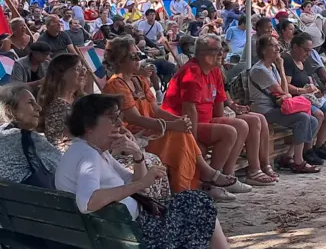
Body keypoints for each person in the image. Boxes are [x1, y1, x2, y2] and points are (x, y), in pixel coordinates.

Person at [55, 94, 230, 249]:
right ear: (89, 125)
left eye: (119, 118)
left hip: (124, 228)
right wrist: (141, 183)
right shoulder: (88, 156)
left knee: (194, 202)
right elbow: (87, 203)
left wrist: (137, 155)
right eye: (113, 118)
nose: (119, 124)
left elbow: (140, 188)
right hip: (134, 233)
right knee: (198, 204)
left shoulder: (94, 152)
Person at [101, 36, 238, 201]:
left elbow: (156, 110)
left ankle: (194, 185)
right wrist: (171, 124)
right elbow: (135, 119)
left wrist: (178, 121)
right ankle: (198, 182)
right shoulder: (116, 85)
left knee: (182, 130)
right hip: (133, 136)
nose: (139, 60)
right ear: (121, 60)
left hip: (150, 129)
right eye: (134, 56)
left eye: (139, 55)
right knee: (178, 134)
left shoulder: (139, 80)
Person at [162, 35, 275, 187]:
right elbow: (189, 110)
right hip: (183, 124)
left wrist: (230, 115)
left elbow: (219, 103)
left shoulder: (214, 70)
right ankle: (212, 180)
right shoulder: (192, 72)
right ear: (202, 54)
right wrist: (193, 141)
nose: (221, 54)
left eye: (221, 50)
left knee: (247, 123)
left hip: (204, 119)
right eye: (217, 50)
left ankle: (229, 175)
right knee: (229, 132)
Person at [249, 35, 320, 173]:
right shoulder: (260, 70)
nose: (278, 48)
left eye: (278, 45)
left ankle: (288, 156)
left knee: (313, 121)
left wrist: (279, 68)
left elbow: (284, 93)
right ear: (264, 50)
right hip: (264, 110)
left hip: (277, 106)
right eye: (274, 46)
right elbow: (284, 92)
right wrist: (281, 68)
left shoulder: (271, 67)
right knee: (303, 118)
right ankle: (298, 161)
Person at [283, 33, 326, 164]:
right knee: (318, 114)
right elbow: (286, 85)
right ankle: (308, 148)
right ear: (295, 47)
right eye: (306, 50)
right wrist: (303, 90)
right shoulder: (288, 60)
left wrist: (315, 90)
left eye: (310, 51)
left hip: (308, 96)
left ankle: (320, 145)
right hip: (297, 98)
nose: (308, 53)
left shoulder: (302, 61)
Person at [0, 83, 61, 188]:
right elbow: (65, 167)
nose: (39, 108)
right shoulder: (25, 137)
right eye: (31, 103)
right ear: (10, 110)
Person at [39, 53, 87, 151]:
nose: (83, 73)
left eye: (83, 69)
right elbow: (61, 146)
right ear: (62, 74)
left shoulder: (80, 99)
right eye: (78, 69)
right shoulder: (56, 108)